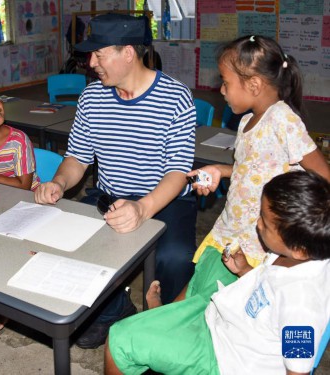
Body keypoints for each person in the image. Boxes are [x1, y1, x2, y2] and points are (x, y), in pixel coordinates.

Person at [34, 13, 197, 349]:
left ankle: (166, 324)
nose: (91, 63)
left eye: (99, 53)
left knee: (175, 257)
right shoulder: (92, 98)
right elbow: (77, 158)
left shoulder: (175, 97)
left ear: (128, 53)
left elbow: (178, 172)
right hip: (108, 194)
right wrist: (59, 183)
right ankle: (114, 309)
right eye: (89, 55)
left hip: (163, 198)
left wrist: (142, 207)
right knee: (63, 241)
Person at [105, 170, 330, 375]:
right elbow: (270, 289)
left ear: (299, 249)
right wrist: (246, 271)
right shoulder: (298, 254)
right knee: (213, 259)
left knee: (120, 340)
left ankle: (165, 319)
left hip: (227, 360)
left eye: (265, 223)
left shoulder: (302, 305)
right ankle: (169, 316)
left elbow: (298, 370)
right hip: (232, 323)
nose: (257, 224)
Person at [166, 35, 330, 308]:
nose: (221, 90)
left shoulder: (283, 119)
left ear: (253, 85)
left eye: (226, 83)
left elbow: (323, 175)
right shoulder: (245, 122)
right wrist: (220, 170)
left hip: (261, 241)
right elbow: (252, 168)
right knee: (203, 292)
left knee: (227, 306)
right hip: (233, 229)